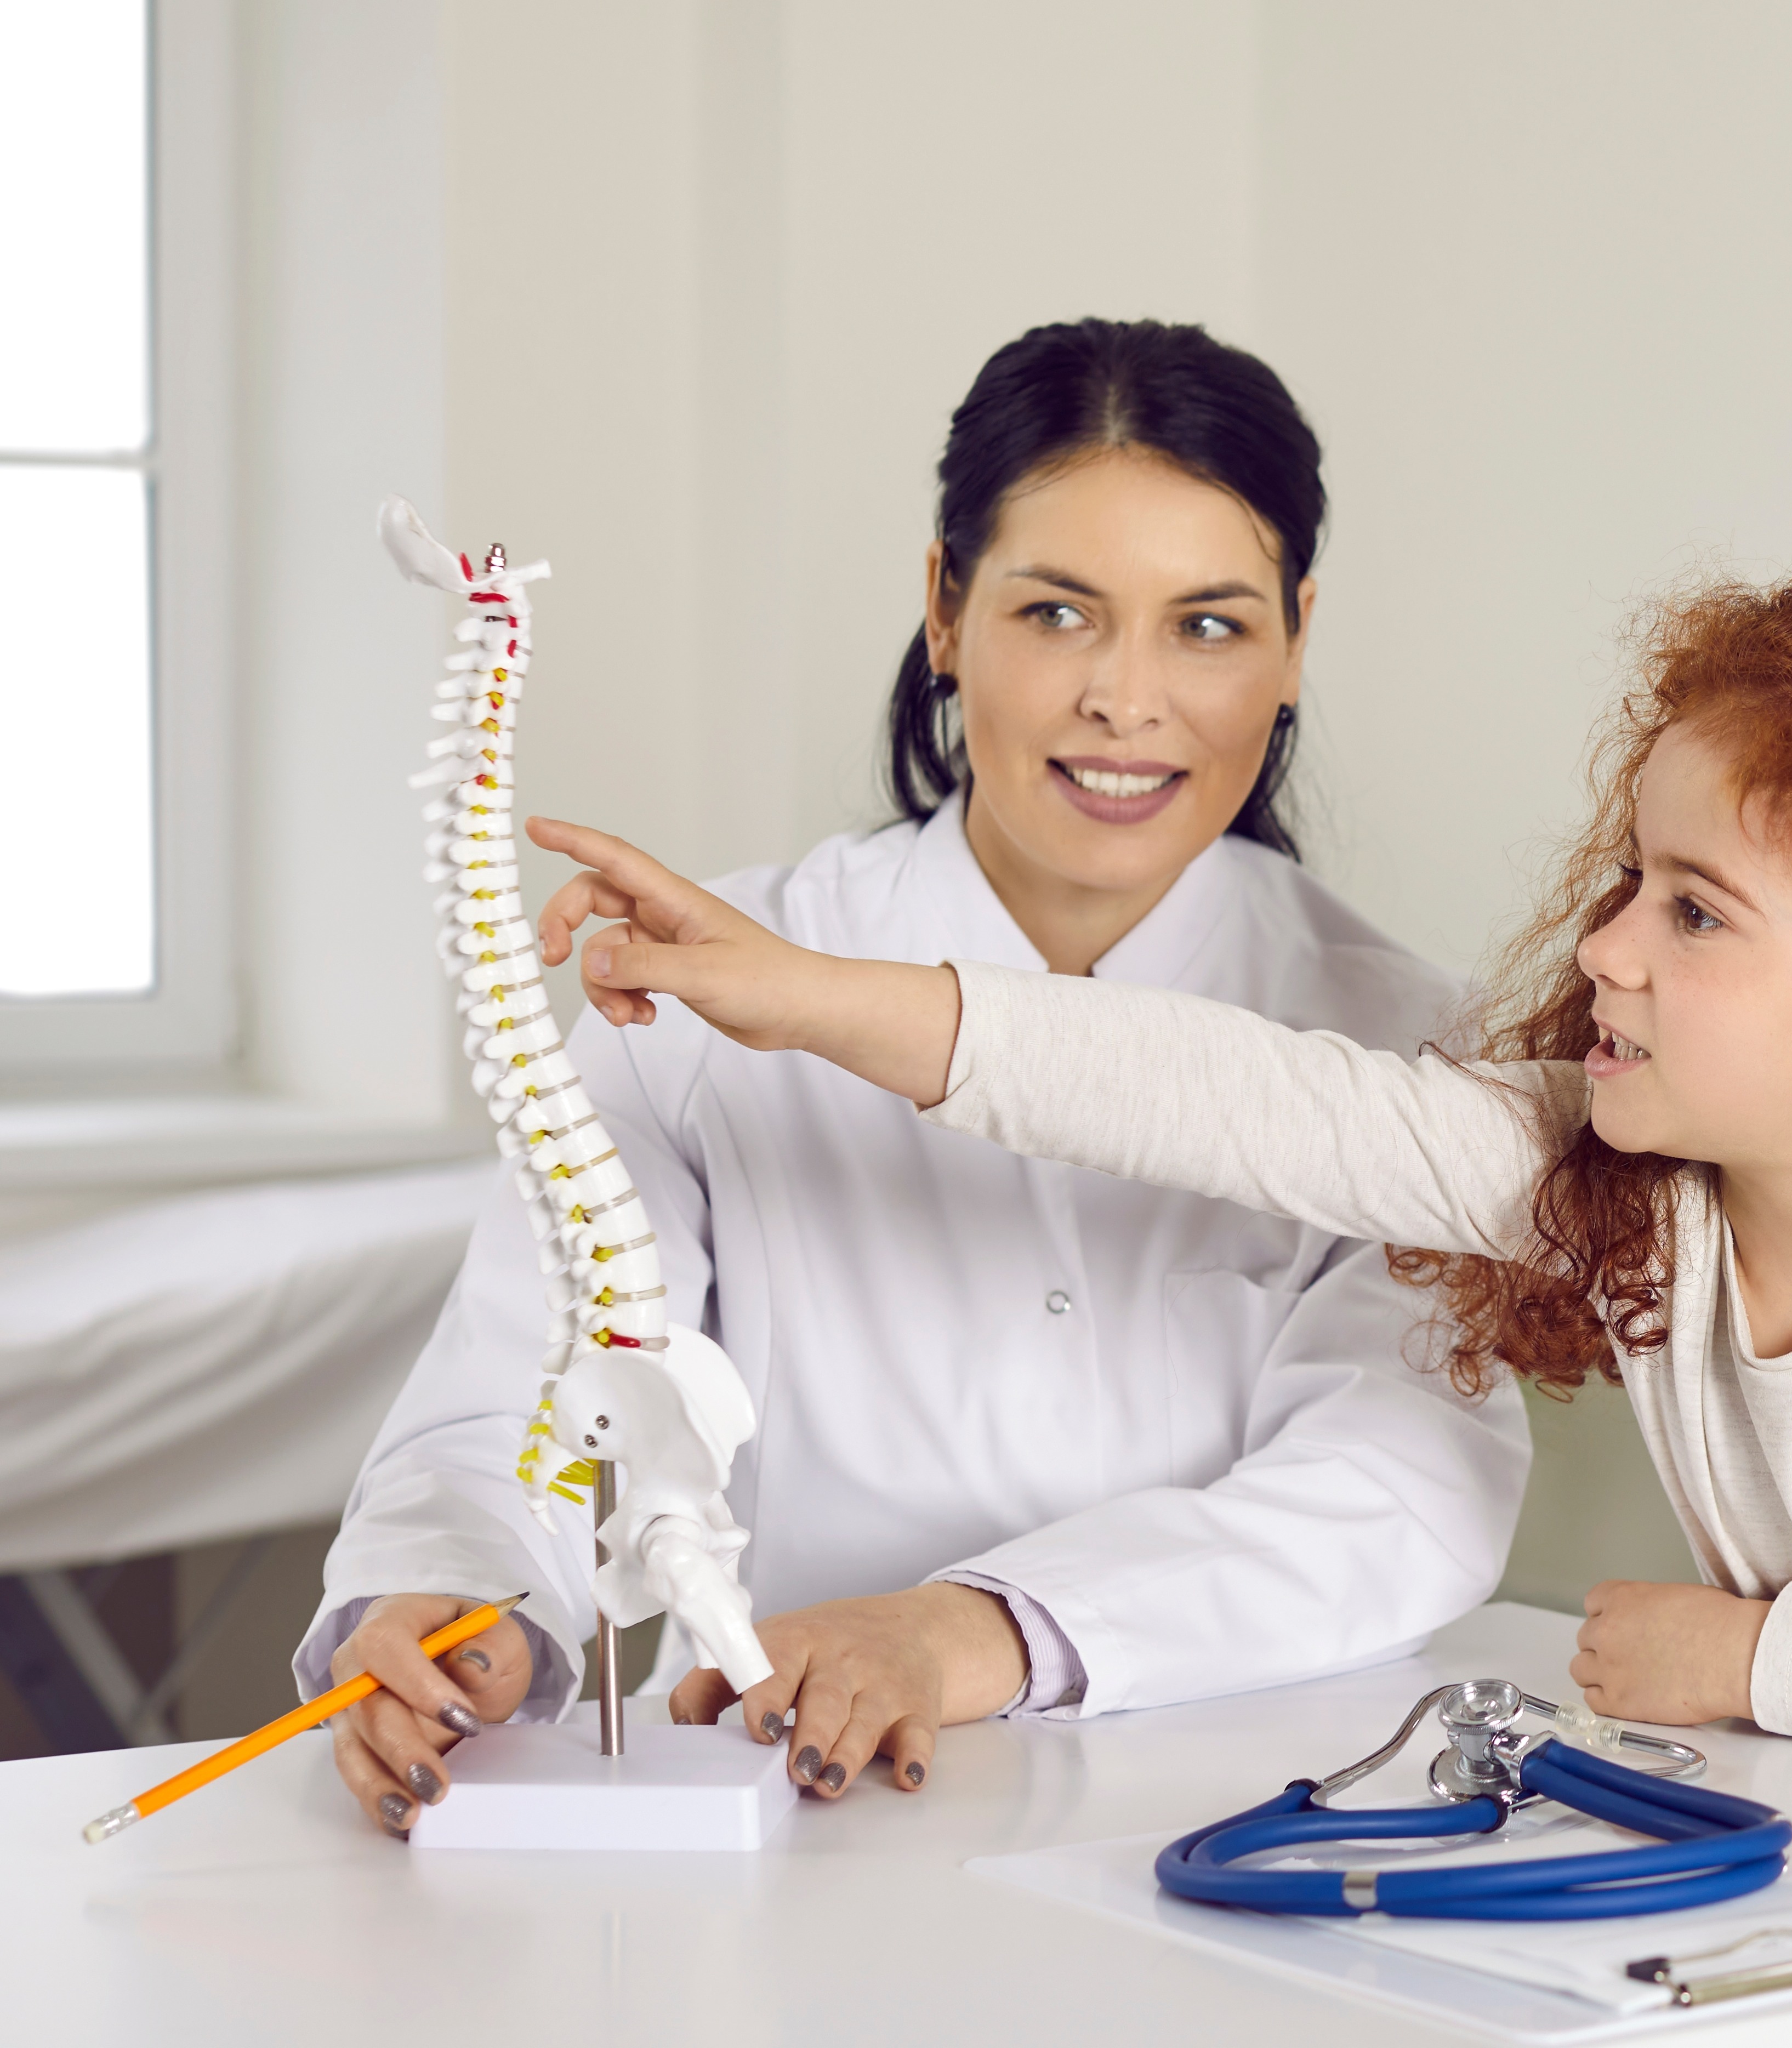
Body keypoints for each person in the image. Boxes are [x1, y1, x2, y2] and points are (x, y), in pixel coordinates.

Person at [525, 583, 1792, 1766]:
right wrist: (794, 995)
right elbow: (1225, 1097)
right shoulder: (1636, 1189)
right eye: (1627, 888)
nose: (1605, 951)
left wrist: (1764, 1658)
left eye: (1696, 915)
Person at [303, 320, 1529, 1835]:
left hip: (1257, 1806)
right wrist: (459, 1595)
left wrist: (973, 1631)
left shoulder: (1400, 1044)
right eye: (1059, 613)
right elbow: (535, 1390)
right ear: (944, 611)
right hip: (798, 1802)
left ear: (1294, 644)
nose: (1127, 702)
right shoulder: (705, 986)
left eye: (1207, 626)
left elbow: (1401, 1489)